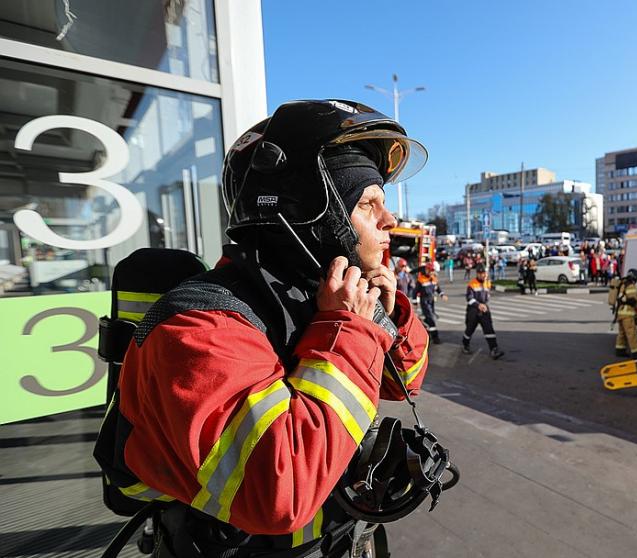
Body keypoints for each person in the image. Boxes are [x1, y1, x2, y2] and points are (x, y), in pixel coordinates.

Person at [108, 100, 432, 556]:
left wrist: (389, 310)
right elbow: (281, 494)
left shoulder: (321, 299)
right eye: (367, 203)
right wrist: (351, 331)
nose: (390, 221)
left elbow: (406, 383)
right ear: (309, 215)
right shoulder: (202, 325)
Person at [463, 266, 505, 359]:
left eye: (484, 273)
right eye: (481, 274)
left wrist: (484, 305)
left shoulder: (487, 282)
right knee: (469, 330)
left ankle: (494, 349)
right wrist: (478, 305)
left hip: (484, 309)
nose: (483, 275)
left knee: (489, 329)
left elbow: (487, 295)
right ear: (477, 274)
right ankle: (465, 345)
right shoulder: (472, 284)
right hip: (473, 310)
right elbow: (469, 299)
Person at [613, 268, 637, 358]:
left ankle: (620, 350)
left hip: (620, 312)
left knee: (622, 333)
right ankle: (636, 352)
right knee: (632, 332)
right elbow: (634, 300)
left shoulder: (623, 284)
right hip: (627, 313)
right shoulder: (631, 286)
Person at [415, 266, 447, 343]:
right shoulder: (421, 279)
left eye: (431, 270)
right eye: (429, 270)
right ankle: (435, 337)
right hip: (424, 301)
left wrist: (442, 295)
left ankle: (423, 329)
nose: (430, 272)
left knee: (429, 318)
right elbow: (415, 291)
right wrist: (414, 302)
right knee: (431, 319)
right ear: (425, 270)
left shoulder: (434, 279)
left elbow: (438, 288)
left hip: (431, 301)